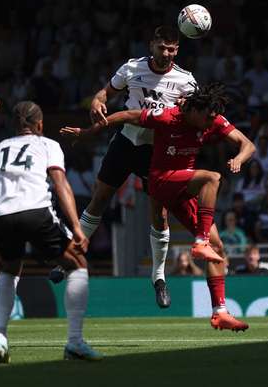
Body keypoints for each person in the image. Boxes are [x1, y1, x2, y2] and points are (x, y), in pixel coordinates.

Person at [62, 82, 255, 331]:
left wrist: (239, 158)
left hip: (183, 186)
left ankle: (220, 312)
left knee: (218, 247)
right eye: (207, 118)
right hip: (161, 180)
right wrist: (88, 132)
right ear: (195, 111)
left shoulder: (211, 118)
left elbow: (248, 144)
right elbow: (126, 115)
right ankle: (200, 241)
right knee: (212, 178)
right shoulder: (167, 116)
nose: (210, 124)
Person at [77, 26, 197, 309]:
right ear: (152, 44)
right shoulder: (131, 69)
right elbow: (105, 93)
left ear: (177, 50)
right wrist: (97, 100)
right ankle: (72, 253)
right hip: (126, 141)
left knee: (160, 212)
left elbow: (196, 116)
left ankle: (158, 279)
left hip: (157, 151)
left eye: (172, 49)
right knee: (100, 198)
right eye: (162, 47)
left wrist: (186, 109)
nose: (167, 54)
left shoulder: (186, 81)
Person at [0, 101, 101, 364]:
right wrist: (78, 229)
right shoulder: (47, 145)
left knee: (10, 268)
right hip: (36, 213)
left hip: (2, 217)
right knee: (78, 264)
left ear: (15, 125)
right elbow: (61, 186)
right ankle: (74, 342)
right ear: (40, 125)